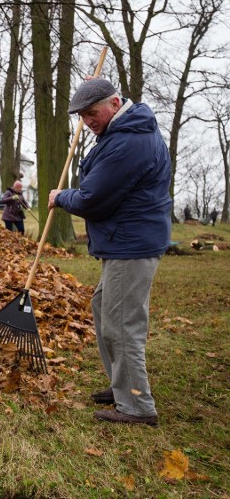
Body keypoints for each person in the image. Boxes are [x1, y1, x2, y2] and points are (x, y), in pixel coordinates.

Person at [49, 78, 171, 427]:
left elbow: (93, 200)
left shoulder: (129, 144)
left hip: (131, 244)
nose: (88, 121)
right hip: (128, 240)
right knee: (104, 308)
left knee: (121, 325)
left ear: (115, 103)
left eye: (93, 112)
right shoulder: (122, 135)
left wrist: (61, 197)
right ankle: (122, 385)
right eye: (83, 116)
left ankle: (136, 405)